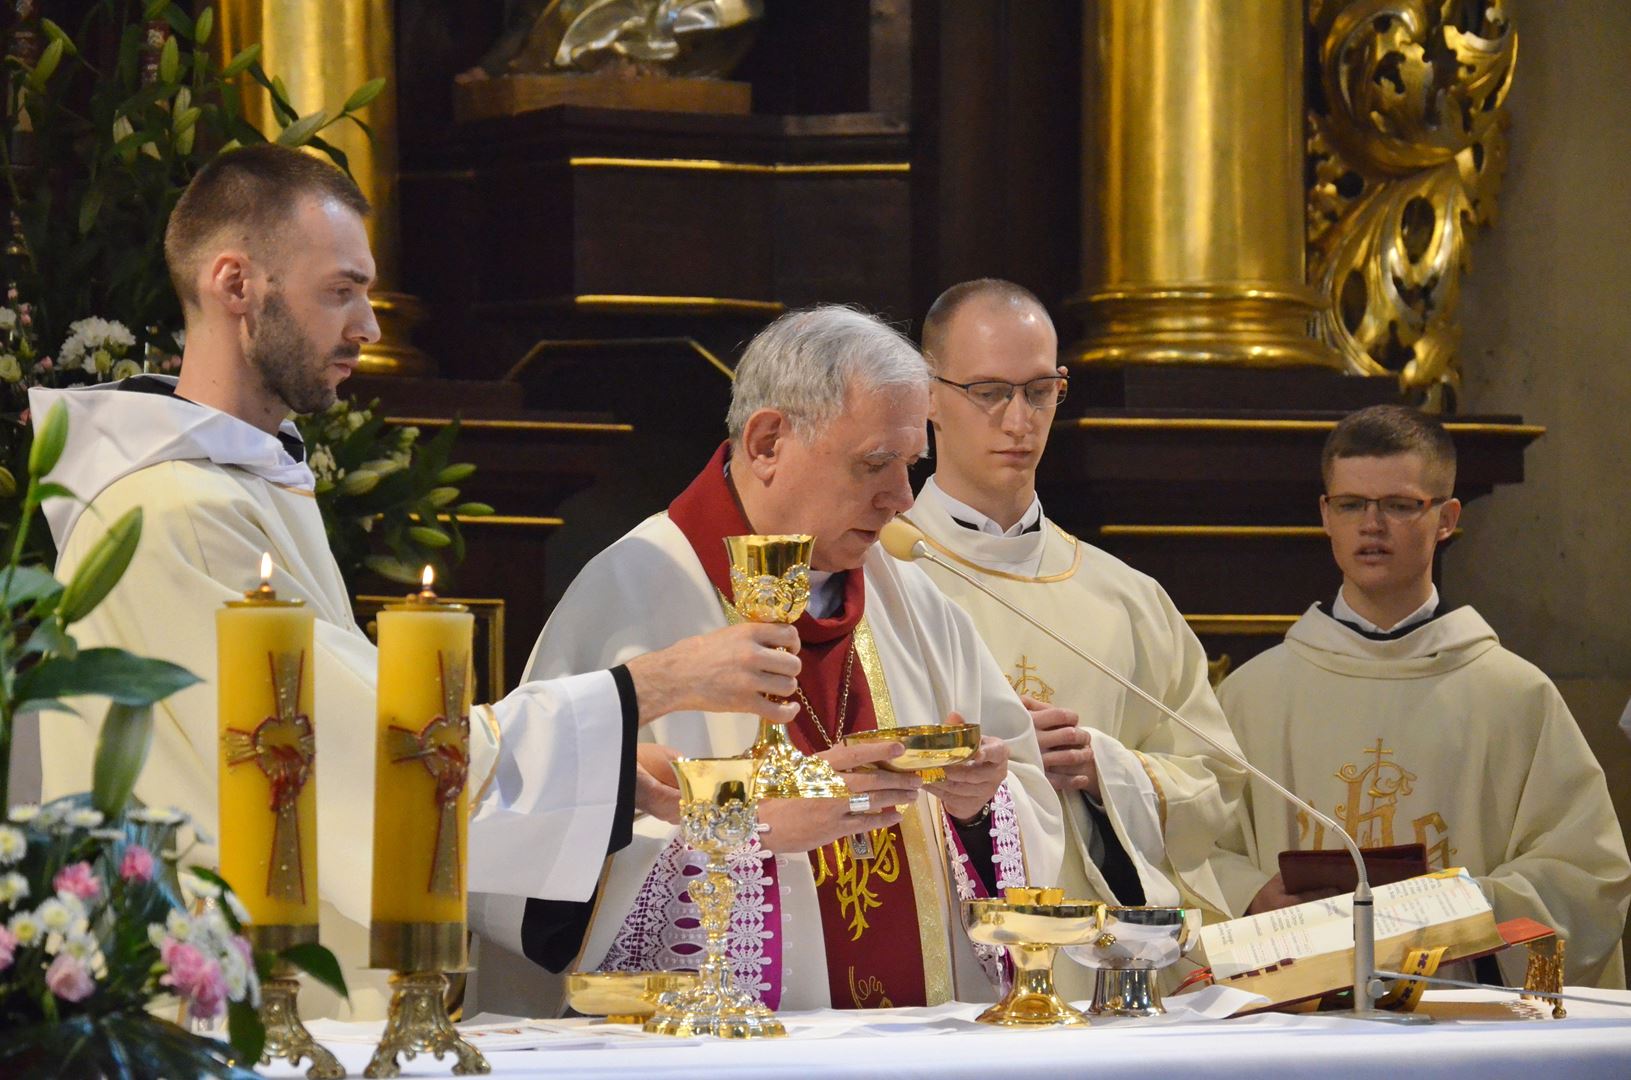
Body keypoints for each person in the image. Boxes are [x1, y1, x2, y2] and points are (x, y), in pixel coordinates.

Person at [29, 144, 802, 1018]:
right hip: (225, 1019)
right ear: (235, 284)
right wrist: (649, 687)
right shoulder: (168, 509)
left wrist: (603, 768)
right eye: (340, 290)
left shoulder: (239, 481)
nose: (367, 325)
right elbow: (366, 747)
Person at [509, 305, 1064, 1011]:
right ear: (769, 441)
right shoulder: (633, 595)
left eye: (909, 465)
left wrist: (979, 808)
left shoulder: (916, 604)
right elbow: (541, 872)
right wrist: (750, 828)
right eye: (874, 464)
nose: (901, 499)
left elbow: (1029, 808)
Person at [906, 280, 1255, 998]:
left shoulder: (1124, 598)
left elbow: (1217, 785)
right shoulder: (879, 577)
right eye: (987, 391)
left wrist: (1109, 771)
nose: (1018, 419)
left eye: (1039, 391)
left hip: (1102, 981)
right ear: (927, 395)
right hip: (936, 965)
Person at [1216, 404, 1631, 987]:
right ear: (1325, 515)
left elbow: (1587, 875)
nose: (1372, 525)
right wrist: (1253, 893)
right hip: (1296, 1019)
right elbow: (1192, 851)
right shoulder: (1252, 696)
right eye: (1352, 504)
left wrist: (1458, 915)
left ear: (1446, 517)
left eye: (1400, 505)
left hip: (1463, 1025)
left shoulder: (1514, 696)